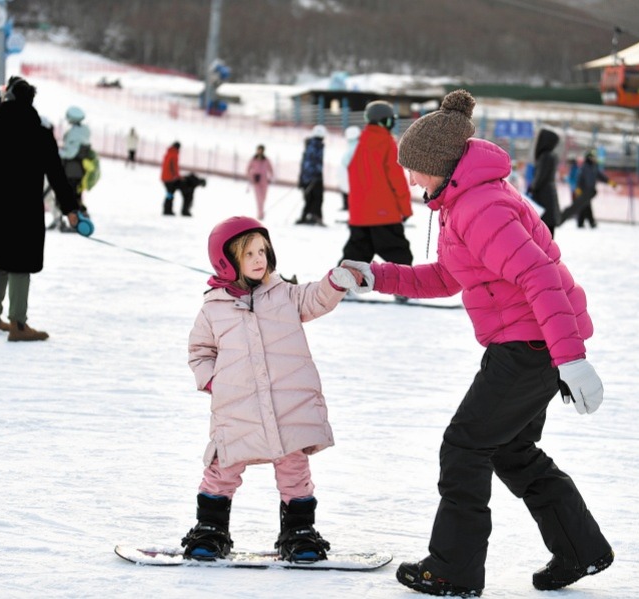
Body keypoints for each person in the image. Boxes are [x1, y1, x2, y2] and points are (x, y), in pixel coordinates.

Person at [340, 89, 613, 597]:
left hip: (531, 344)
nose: (409, 179)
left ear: (439, 164)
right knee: (510, 448)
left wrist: (571, 360)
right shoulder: (460, 203)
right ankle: (581, 548)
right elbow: (449, 276)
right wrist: (376, 277)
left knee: (465, 446)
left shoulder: (480, 207)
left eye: (413, 169)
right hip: (530, 343)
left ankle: (453, 570)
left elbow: (540, 278)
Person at [182, 216, 363, 563]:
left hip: (287, 409)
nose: (259, 259)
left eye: (262, 251)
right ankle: (211, 529)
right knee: (222, 470)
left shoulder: (285, 295)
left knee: (294, 471)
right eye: (248, 254)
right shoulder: (214, 308)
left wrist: (336, 281)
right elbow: (199, 352)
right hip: (237, 409)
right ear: (227, 260)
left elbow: (315, 298)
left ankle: (298, 532)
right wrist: (215, 383)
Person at [0, 78, 79, 341]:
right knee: (19, 264)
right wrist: (71, 209)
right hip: (26, 209)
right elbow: (57, 176)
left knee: (0, 260)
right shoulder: (39, 133)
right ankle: (18, 325)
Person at [340, 101, 412, 301]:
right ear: (386, 121)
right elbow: (396, 178)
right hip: (384, 213)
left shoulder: (359, 144)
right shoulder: (387, 143)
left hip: (360, 214)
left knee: (356, 254)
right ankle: (403, 290)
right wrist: (405, 208)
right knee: (399, 253)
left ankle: (341, 286)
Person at [559, 149, 614, 228]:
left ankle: (583, 222)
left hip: (590, 191)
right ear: (589, 157)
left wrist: (611, 183)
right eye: (593, 157)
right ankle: (587, 222)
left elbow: (601, 176)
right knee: (583, 205)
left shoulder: (594, 167)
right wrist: (578, 189)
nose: (594, 159)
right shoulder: (584, 167)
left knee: (585, 205)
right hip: (583, 191)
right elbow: (579, 178)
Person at [526, 128, 561, 237]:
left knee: (543, 225)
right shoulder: (552, 155)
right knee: (549, 226)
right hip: (549, 193)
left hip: (543, 195)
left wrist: (532, 187)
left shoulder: (545, 156)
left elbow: (540, 177)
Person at [59, 105, 92, 221]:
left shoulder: (75, 133)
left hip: (72, 169)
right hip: (79, 169)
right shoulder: (84, 131)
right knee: (76, 194)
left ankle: (77, 219)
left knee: (71, 195)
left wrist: (58, 152)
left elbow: (70, 153)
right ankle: (80, 216)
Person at [296, 125, 325, 225]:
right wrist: (316, 175)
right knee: (317, 198)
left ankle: (307, 216)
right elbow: (315, 162)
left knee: (310, 198)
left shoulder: (310, 144)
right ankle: (314, 217)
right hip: (314, 177)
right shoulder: (316, 145)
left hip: (306, 177)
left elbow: (305, 163)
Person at [246, 144, 274, 220]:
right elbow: (248, 169)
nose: (260, 152)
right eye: (259, 150)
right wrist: (252, 177)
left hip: (264, 182)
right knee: (259, 199)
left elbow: (271, 170)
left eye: (261, 150)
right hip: (256, 182)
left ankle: (261, 212)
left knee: (263, 198)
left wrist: (270, 178)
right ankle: (260, 214)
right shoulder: (253, 159)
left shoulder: (266, 160)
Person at [338, 125, 360, 211]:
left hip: (350, 173)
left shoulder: (353, 147)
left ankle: (349, 206)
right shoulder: (356, 145)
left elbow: (346, 161)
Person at [161, 141, 182, 216]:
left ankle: (166, 209)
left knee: (169, 193)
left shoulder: (168, 152)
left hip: (164, 177)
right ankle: (168, 210)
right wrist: (178, 176)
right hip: (169, 178)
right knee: (170, 193)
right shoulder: (174, 154)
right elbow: (174, 167)